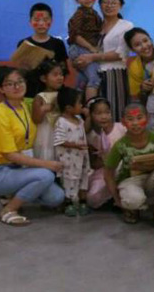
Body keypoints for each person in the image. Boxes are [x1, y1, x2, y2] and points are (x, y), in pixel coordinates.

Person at [0, 66, 64, 226]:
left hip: (20, 167)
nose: (16, 86)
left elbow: (46, 104)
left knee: (56, 198)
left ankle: (11, 193)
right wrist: (47, 164)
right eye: (10, 84)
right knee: (45, 175)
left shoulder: (27, 104)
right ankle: (9, 209)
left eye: (20, 81)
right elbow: (10, 155)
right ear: (1, 89)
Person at [104, 103, 154, 233]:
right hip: (130, 181)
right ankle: (133, 207)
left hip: (152, 179)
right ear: (123, 122)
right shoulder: (120, 145)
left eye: (139, 118)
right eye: (130, 119)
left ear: (147, 118)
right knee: (133, 200)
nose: (135, 123)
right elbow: (108, 173)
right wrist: (117, 201)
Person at [73, 0, 133, 121]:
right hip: (93, 75)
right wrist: (79, 61)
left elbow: (121, 53)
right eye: (105, 2)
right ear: (99, 4)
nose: (109, 5)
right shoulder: (96, 25)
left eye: (113, 2)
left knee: (114, 114)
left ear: (121, 5)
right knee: (93, 116)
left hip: (114, 75)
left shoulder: (126, 26)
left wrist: (92, 57)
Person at [16, 3, 68, 99]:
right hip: (30, 93)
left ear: (51, 21)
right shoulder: (23, 44)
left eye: (45, 20)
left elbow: (64, 70)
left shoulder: (58, 44)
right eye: (36, 20)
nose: (41, 24)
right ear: (30, 22)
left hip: (53, 93)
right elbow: (20, 74)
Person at [54, 87, 91, 217]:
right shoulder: (61, 122)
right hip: (69, 159)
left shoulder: (79, 120)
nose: (81, 105)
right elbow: (59, 140)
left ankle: (83, 201)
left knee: (83, 179)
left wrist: (88, 117)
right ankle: (68, 202)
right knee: (69, 181)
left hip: (82, 157)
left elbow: (85, 130)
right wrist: (75, 146)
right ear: (69, 108)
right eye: (79, 103)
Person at [84, 97, 126, 209]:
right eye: (98, 113)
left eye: (107, 112)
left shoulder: (121, 128)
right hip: (104, 171)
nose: (104, 117)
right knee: (92, 197)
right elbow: (94, 164)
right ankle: (111, 198)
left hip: (123, 167)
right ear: (91, 115)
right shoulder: (91, 136)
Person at [67, 0, 102, 101]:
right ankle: (92, 107)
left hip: (86, 49)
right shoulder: (80, 14)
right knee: (95, 79)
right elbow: (75, 36)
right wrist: (92, 49)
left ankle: (76, 103)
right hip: (80, 48)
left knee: (84, 78)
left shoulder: (94, 13)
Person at [31, 59, 65, 162]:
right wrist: (45, 108)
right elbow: (36, 119)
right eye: (55, 75)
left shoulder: (64, 94)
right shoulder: (40, 97)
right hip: (46, 134)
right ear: (43, 78)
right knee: (48, 158)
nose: (60, 77)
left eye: (61, 74)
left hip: (61, 132)